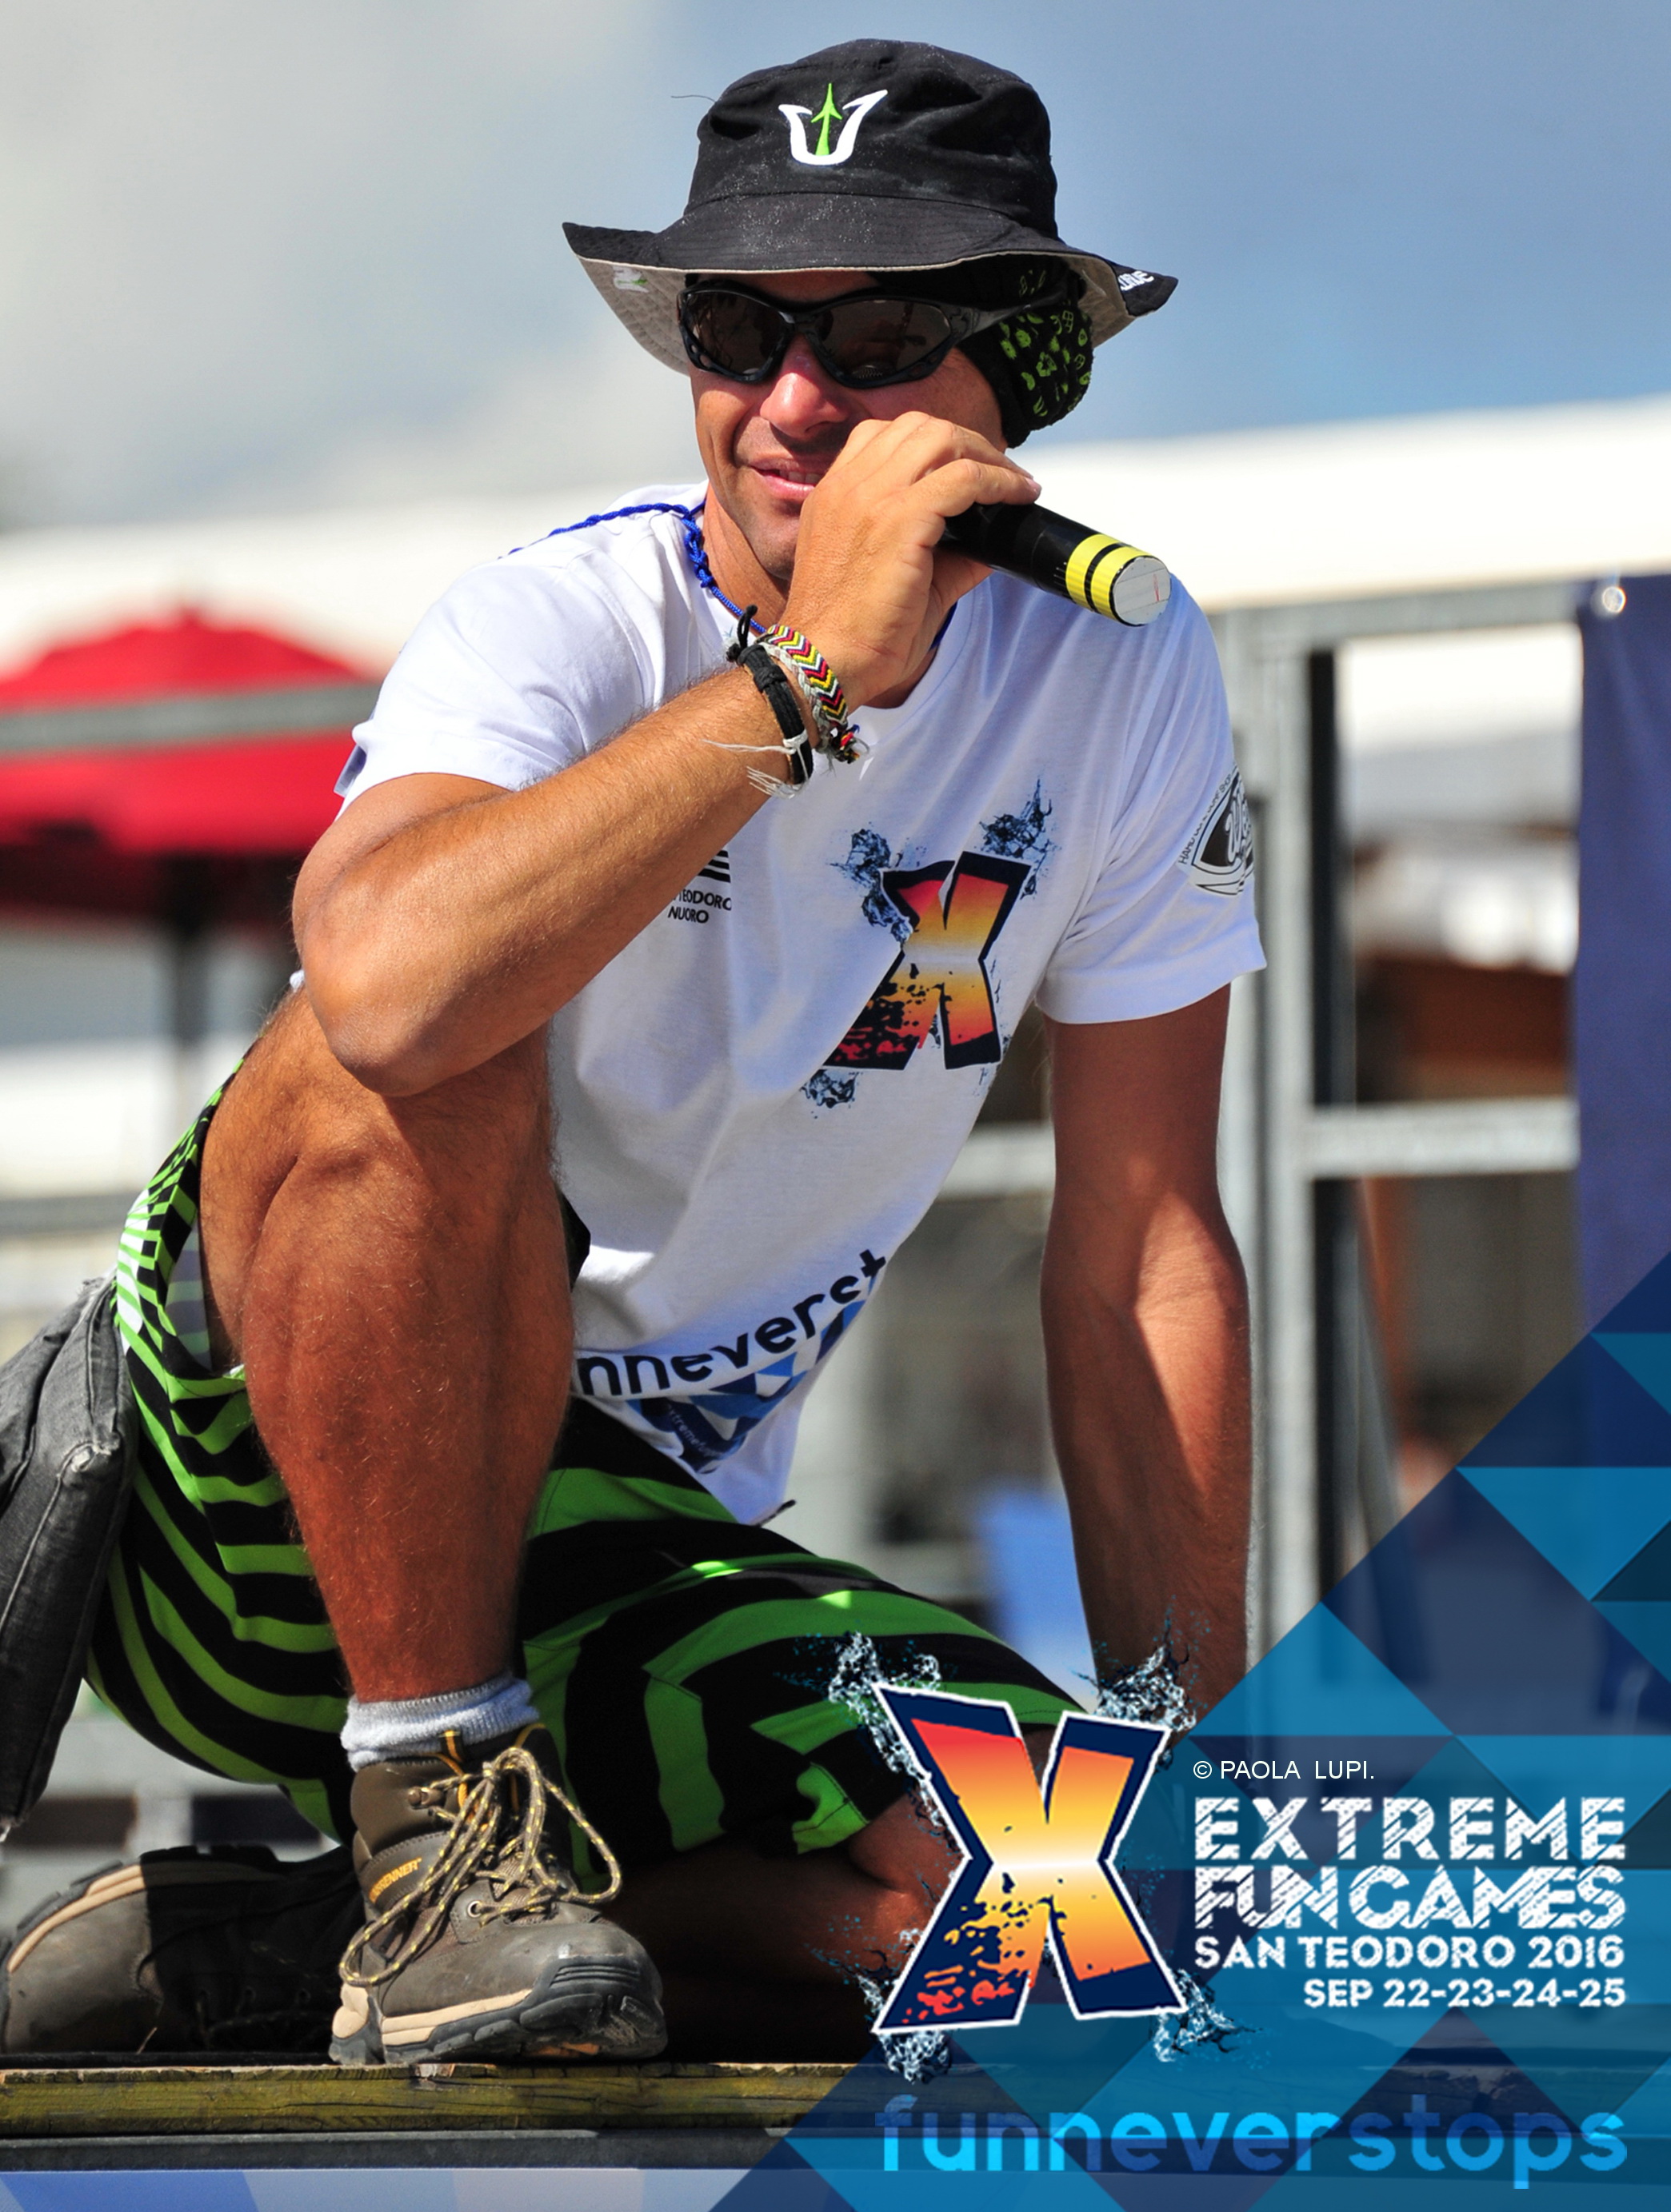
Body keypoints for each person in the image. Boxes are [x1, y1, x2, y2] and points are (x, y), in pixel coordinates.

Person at [24, 38, 1260, 2066]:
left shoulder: (1122, 671)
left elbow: (1139, 1250)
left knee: (1111, 1914)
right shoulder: (558, 624)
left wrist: (1189, 1752)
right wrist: (801, 678)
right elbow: (386, 997)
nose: (794, 397)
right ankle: (430, 1831)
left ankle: (295, 1942)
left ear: (1021, 367)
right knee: (429, 1009)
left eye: (873, 334)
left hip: (629, 1555)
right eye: (736, 327)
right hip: (258, 1513)